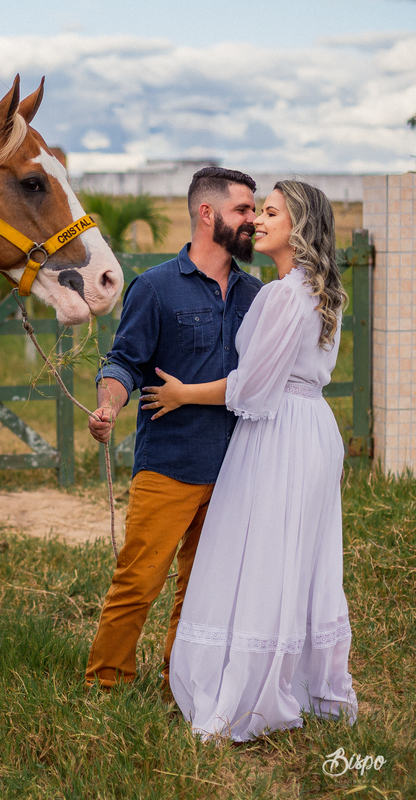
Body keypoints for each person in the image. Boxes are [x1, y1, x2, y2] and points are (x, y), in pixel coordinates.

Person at [143, 180, 357, 740]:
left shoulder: (283, 294)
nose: (258, 220)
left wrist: (185, 393)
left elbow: (253, 389)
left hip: (279, 431)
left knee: (263, 554)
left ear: (299, 226)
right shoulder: (321, 289)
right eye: (256, 210)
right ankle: (300, 680)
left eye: (270, 213)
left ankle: (255, 688)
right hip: (314, 428)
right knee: (298, 556)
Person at [85, 167, 263, 692]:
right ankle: (105, 685)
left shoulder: (256, 294)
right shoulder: (157, 288)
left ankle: (179, 685)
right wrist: (108, 406)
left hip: (235, 469)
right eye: (243, 210)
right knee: (139, 582)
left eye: (254, 211)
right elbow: (123, 362)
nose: (251, 220)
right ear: (208, 215)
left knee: (201, 589)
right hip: (170, 464)